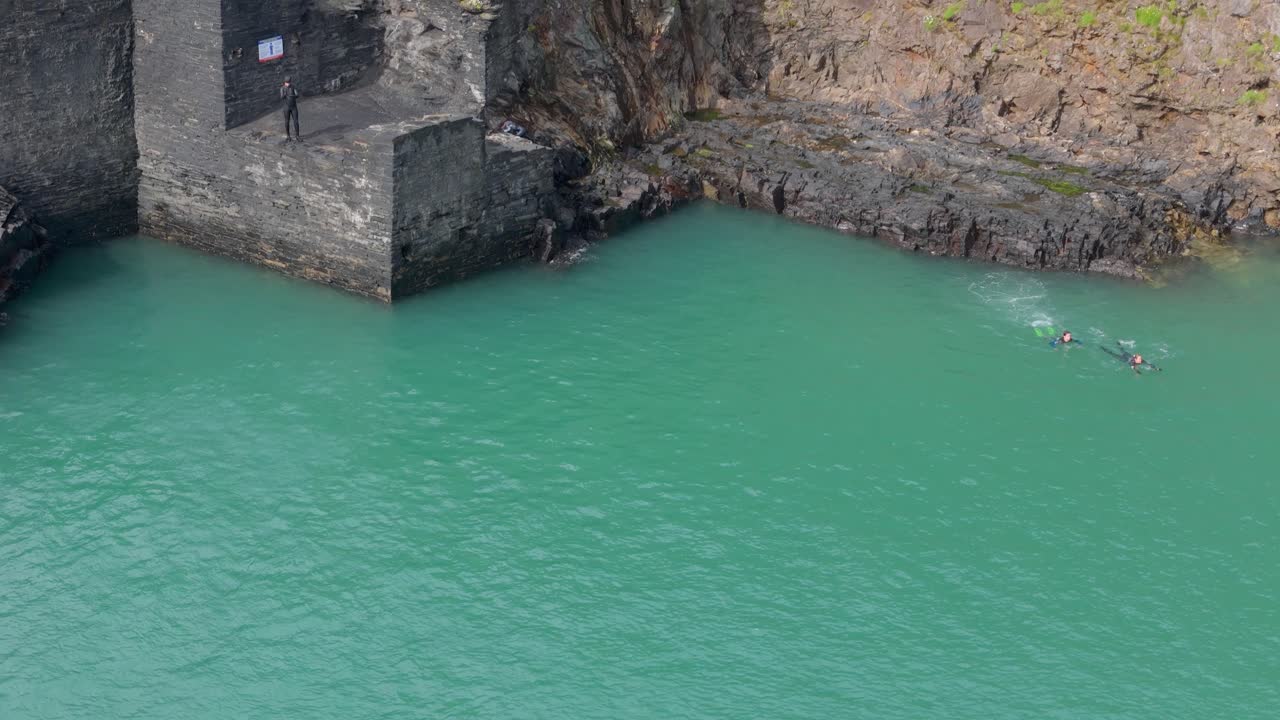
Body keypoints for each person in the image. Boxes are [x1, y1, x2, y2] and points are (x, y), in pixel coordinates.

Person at [280, 77, 301, 142]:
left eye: (288, 82)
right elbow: (281, 97)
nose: (288, 84)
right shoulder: (282, 88)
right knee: (287, 121)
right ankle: (288, 136)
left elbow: (297, 95)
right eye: (287, 82)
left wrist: (292, 95)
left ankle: (297, 136)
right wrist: (285, 93)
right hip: (286, 107)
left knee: (296, 121)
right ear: (285, 82)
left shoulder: (293, 87)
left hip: (293, 107)